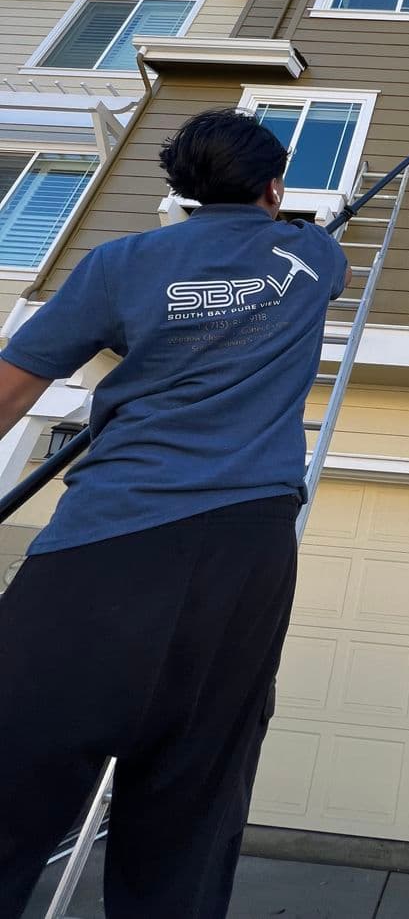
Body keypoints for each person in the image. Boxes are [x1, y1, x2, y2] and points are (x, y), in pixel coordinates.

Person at [0, 108, 351, 918]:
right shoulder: (313, 253)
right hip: (247, 553)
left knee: (12, 778)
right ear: (273, 185)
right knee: (190, 808)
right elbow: (305, 265)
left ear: (180, 188)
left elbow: (14, 387)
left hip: (102, 551)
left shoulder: (120, 262)